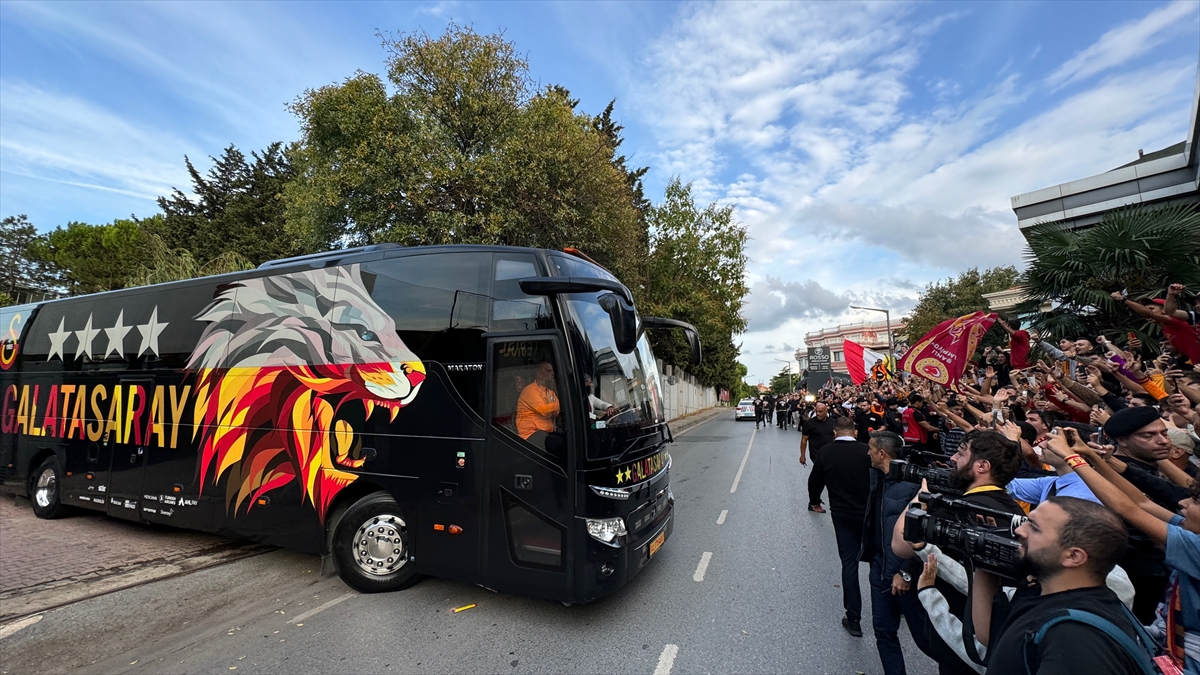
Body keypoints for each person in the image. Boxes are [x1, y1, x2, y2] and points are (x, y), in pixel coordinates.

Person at [1042, 430, 1199, 675]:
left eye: (1196, 502)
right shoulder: (1190, 533)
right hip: (1165, 646)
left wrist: (1071, 457)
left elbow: (1127, 509)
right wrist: (1092, 457)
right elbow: (1140, 503)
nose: (1184, 503)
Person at [973, 495, 1147, 675]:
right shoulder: (1043, 589)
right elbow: (994, 637)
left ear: (1073, 557)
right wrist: (984, 556)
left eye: (1034, 527)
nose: (1019, 531)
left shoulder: (1076, 639)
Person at [860, 430, 932, 674]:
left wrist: (906, 572)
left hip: (905, 576)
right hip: (880, 570)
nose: (867, 453)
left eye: (870, 449)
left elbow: (922, 536)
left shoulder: (913, 487)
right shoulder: (877, 478)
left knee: (929, 640)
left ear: (882, 453)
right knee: (883, 631)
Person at [808, 416, 872, 636]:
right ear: (854, 432)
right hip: (868, 514)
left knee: (849, 563)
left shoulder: (826, 452)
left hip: (842, 513)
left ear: (835, 433)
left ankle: (854, 618)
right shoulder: (867, 451)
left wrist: (815, 500)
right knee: (877, 560)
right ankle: (890, 607)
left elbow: (814, 481)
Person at [516, 361, 560, 449]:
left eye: (552, 371)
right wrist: (555, 405)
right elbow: (544, 410)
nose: (552, 374)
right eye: (549, 371)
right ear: (540, 374)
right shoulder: (530, 391)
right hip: (530, 434)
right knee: (558, 443)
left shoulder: (550, 392)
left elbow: (556, 412)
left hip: (546, 432)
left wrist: (552, 408)